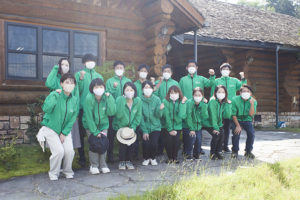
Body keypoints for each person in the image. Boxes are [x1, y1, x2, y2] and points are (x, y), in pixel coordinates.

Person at [37, 73, 78, 180]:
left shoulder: (74, 99)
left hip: (65, 130)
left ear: (74, 85)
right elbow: (46, 109)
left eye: (72, 83)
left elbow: (73, 117)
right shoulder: (54, 95)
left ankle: (67, 171)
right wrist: (55, 95)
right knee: (59, 152)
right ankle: (53, 173)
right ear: (61, 84)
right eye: (67, 82)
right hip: (51, 128)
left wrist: (64, 133)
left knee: (69, 151)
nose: (69, 85)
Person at [180, 59, 215, 156]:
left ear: (196, 68)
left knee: (198, 128)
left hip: (198, 106)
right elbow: (180, 92)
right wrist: (182, 102)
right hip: (188, 106)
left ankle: (198, 148)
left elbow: (211, 84)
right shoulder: (183, 80)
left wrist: (212, 76)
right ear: (187, 68)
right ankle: (186, 149)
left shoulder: (201, 79)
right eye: (189, 66)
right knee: (187, 129)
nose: (192, 67)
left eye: (193, 66)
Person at [75, 54, 104, 167]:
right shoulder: (79, 74)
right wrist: (81, 80)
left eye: (92, 60)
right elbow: (77, 91)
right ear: (84, 63)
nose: (90, 62)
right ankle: (82, 158)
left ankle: (96, 159)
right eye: (88, 61)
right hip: (83, 109)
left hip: (97, 109)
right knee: (81, 135)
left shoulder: (99, 76)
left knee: (95, 134)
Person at [211, 63, 247, 153]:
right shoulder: (216, 81)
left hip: (230, 109)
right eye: (224, 69)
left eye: (227, 69)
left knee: (227, 129)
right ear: (221, 71)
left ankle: (225, 146)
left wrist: (243, 78)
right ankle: (218, 147)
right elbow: (213, 94)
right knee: (219, 128)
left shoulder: (234, 81)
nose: (225, 71)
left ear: (230, 71)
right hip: (219, 108)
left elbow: (243, 88)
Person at [82, 78, 116, 174]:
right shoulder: (89, 98)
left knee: (103, 144)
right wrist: (95, 131)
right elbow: (88, 116)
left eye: (101, 87)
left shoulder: (106, 97)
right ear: (92, 88)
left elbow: (111, 112)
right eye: (96, 87)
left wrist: (110, 99)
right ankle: (93, 166)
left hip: (103, 125)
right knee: (94, 144)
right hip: (90, 125)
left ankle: (103, 165)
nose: (99, 89)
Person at [106, 61, 132, 163]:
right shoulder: (110, 81)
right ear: (114, 69)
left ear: (124, 70)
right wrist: (114, 87)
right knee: (111, 136)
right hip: (113, 111)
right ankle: (110, 156)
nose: (119, 69)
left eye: (121, 67)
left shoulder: (128, 80)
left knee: (125, 134)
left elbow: (132, 93)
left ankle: (127, 157)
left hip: (125, 111)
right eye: (117, 67)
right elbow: (108, 94)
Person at [112, 82, 142, 170]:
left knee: (131, 144)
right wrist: (122, 101)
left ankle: (129, 161)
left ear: (134, 91)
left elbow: (138, 115)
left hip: (132, 126)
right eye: (127, 90)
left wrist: (133, 127)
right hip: (120, 126)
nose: (129, 92)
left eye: (131, 90)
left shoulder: (138, 101)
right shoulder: (119, 100)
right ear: (124, 91)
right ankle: (122, 161)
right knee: (123, 145)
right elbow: (118, 115)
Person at [154, 64, 179, 156]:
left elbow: (178, 95)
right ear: (162, 73)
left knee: (168, 130)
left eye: (168, 71)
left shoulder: (175, 83)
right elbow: (154, 93)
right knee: (161, 131)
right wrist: (159, 83)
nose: (166, 73)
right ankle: (159, 151)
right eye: (165, 71)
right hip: (161, 108)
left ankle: (169, 151)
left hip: (171, 108)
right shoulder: (158, 82)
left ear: (171, 73)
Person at [203, 85, 232, 160]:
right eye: (219, 92)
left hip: (217, 123)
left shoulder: (222, 102)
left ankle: (218, 152)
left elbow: (227, 115)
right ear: (215, 93)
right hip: (209, 123)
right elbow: (213, 116)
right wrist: (216, 128)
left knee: (222, 136)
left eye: (223, 92)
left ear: (225, 93)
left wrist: (228, 105)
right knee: (216, 135)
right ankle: (212, 154)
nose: (221, 93)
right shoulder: (213, 101)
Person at [140, 80, 164, 166]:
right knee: (146, 143)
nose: (148, 89)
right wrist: (145, 130)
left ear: (153, 89)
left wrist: (160, 109)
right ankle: (146, 158)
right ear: (142, 89)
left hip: (155, 126)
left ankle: (153, 158)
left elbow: (159, 116)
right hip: (144, 126)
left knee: (154, 143)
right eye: (145, 87)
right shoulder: (139, 100)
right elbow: (140, 117)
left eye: (149, 87)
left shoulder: (157, 99)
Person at [231, 85, 257, 159]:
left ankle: (248, 151)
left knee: (251, 134)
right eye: (244, 91)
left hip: (247, 119)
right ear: (240, 93)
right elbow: (233, 114)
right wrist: (238, 126)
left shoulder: (254, 101)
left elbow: (251, 114)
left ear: (251, 93)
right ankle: (235, 151)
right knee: (236, 133)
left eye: (248, 91)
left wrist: (251, 104)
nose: (246, 93)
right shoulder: (235, 99)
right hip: (237, 119)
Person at [163, 85, 187, 163]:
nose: (174, 94)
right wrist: (170, 129)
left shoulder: (181, 102)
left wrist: (182, 104)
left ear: (179, 93)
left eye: (176, 93)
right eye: (172, 93)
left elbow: (182, 115)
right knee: (168, 142)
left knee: (176, 142)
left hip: (178, 126)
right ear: (169, 93)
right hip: (167, 126)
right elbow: (167, 116)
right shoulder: (165, 101)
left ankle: (175, 157)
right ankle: (170, 158)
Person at [184, 87, 208, 160]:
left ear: (202, 96)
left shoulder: (202, 103)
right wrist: (191, 129)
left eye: (199, 95)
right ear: (193, 95)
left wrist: (204, 105)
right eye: (196, 95)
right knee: (191, 139)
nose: (197, 97)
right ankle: (187, 156)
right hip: (189, 126)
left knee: (198, 141)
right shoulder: (189, 102)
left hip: (198, 127)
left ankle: (196, 156)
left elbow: (205, 116)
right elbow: (188, 116)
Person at [133, 64, 150, 160]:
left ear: (147, 73)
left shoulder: (149, 84)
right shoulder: (135, 85)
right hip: (136, 113)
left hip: (146, 113)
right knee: (135, 135)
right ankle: (135, 155)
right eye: (141, 71)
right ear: (138, 72)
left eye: (145, 71)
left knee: (145, 134)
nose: (143, 73)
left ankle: (145, 156)